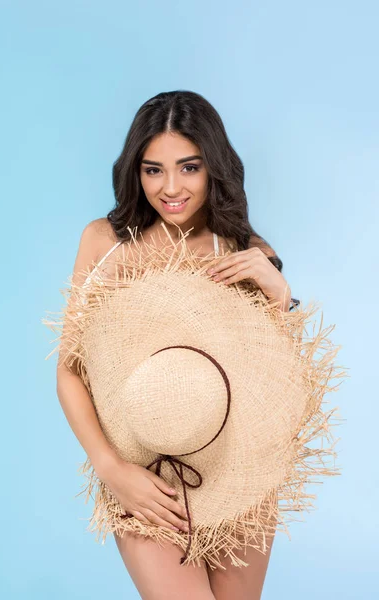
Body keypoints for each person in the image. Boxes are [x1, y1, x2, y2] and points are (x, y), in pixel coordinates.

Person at [55, 90, 298, 600]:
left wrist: (280, 296)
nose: (170, 188)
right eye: (152, 170)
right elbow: (71, 371)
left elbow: (279, 383)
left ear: (214, 168)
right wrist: (112, 469)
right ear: (134, 172)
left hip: (238, 470)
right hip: (143, 476)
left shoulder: (244, 251)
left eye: (189, 168)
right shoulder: (105, 242)